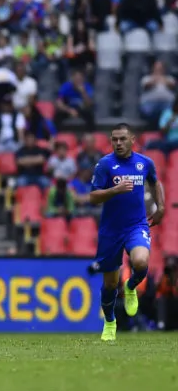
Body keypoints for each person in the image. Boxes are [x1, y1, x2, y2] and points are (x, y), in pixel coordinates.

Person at [89, 123, 165, 342]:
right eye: (114, 139)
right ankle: (110, 322)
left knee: (141, 262)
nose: (118, 143)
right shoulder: (105, 164)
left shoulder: (145, 163)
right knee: (110, 284)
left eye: (122, 139)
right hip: (111, 230)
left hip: (136, 225)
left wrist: (160, 207)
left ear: (132, 139)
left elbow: (155, 182)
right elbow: (93, 197)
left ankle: (131, 286)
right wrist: (115, 190)